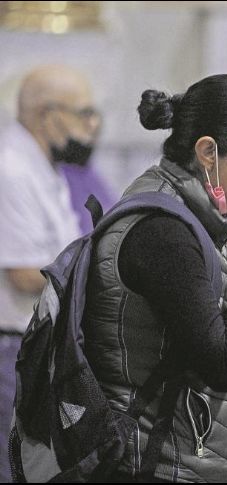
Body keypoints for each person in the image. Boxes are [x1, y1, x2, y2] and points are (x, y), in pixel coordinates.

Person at [77, 74, 227, 482]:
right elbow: (220, 367)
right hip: (152, 463)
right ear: (208, 152)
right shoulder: (164, 229)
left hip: (175, 457)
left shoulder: (200, 219)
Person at [0, 65, 96, 482]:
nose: (91, 126)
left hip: (38, 349)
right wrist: (96, 272)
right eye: (83, 113)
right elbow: (24, 273)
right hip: (13, 351)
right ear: (47, 114)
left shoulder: (42, 166)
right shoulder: (11, 170)